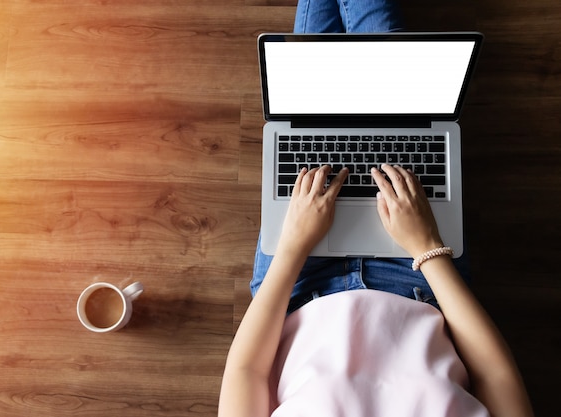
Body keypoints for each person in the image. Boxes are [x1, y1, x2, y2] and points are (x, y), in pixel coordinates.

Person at [218, 1, 535, 416]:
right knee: (395, 103)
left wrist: (293, 246)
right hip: (422, 277)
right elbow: (495, 376)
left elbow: (247, 372)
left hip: (295, 284)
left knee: (310, 100)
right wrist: (427, 247)